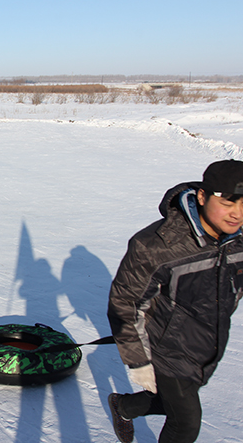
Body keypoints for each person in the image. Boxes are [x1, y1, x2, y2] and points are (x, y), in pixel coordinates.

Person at [107, 159, 243, 443]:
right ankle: (125, 406)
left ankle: (124, 406)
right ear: (202, 196)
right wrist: (138, 361)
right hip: (166, 349)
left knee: (174, 400)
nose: (237, 214)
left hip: (207, 344)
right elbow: (125, 302)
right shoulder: (158, 245)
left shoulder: (237, 240)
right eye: (228, 203)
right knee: (185, 423)